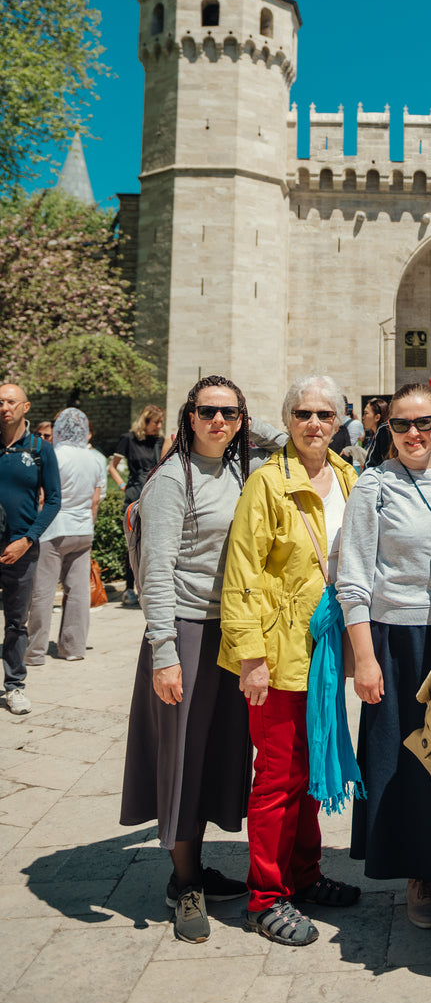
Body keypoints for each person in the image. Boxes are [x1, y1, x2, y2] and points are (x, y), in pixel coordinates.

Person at [219, 373, 361, 946]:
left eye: (325, 415)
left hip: (324, 652)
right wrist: (250, 655)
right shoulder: (267, 484)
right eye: (303, 414)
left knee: (307, 767)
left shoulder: (348, 477)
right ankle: (266, 896)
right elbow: (243, 571)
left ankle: (305, 874)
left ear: (339, 422)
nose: (314, 424)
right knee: (277, 777)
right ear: (288, 419)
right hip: (277, 654)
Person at [119, 377, 262, 943]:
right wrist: (164, 652)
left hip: (230, 632)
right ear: (188, 416)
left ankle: (196, 863)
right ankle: (184, 883)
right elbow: (155, 570)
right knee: (182, 757)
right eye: (207, 411)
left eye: (230, 413)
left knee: (216, 755)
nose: (219, 421)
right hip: (184, 632)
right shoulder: (170, 481)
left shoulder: (235, 471)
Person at [337, 383, 431, 929]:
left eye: (423, 423)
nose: (413, 434)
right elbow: (353, 578)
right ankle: (419, 873)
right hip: (398, 639)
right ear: (385, 429)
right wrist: (364, 659)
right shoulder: (374, 486)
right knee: (408, 762)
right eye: (401, 425)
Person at [26, 409, 106, 665]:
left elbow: (42, 495)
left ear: (59, 429)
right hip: (83, 529)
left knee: (43, 592)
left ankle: (35, 651)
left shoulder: (54, 455)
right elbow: (96, 498)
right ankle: (73, 648)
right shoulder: (95, 458)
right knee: (79, 592)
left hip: (54, 528)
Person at [0, 384, 61, 716]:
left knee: (15, 622)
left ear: (25, 407)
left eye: (10, 401)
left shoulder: (40, 449)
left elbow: (53, 500)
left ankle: (14, 687)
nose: (4, 407)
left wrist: (28, 539)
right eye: (0, 402)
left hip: (21, 549)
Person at [109, 405, 165, 606]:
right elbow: (112, 467)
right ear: (145, 421)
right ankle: (129, 587)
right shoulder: (128, 439)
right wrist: (123, 485)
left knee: (154, 541)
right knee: (133, 541)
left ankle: (150, 586)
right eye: (155, 422)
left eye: (160, 422)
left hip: (155, 493)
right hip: (135, 493)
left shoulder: (160, 441)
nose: (159, 426)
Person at [359, 397, 392, 470]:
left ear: (377, 417)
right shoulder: (373, 436)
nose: (363, 417)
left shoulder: (386, 436)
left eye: (366, 413)